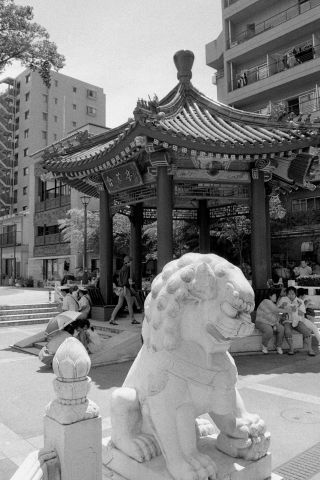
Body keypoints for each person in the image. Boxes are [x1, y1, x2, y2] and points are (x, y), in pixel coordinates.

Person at [277, 286, 315, 356]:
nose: (290, 296)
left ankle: (310, 349)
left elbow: (302, 313)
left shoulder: (300, 301)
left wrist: (296, 310)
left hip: (298, 321)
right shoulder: (283, 299)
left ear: (295, 294)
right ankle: (291, 349)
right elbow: (277, 308)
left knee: (307, 332)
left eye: (292, 294)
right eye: (289, 294)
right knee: (287, 331)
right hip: (287, 321)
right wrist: (282, 306)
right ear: (286, 294)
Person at [109, 256, 140, 326]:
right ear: (128, 262)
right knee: (129, 304)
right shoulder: (126, 268)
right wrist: (126, 287)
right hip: (125, 288)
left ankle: (112, 319)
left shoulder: (122, 269)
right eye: (131, 262)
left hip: (121, 289)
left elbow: (121, 280)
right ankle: (133, 319)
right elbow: (125, 280)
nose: (131, 263)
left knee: (119, 304)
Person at [255, 290, 285, 354]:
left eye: (276, 296)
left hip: (271, 323)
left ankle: (278, 346)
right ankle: (264, 346)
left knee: (281, 328)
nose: (276, 297)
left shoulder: (272, 304)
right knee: (269, 330)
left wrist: (276, 322)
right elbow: (276, 310)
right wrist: (288, 310)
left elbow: (276, 314)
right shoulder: (266, 301)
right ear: (270, 296)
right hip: (261, 322)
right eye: (274, 296)